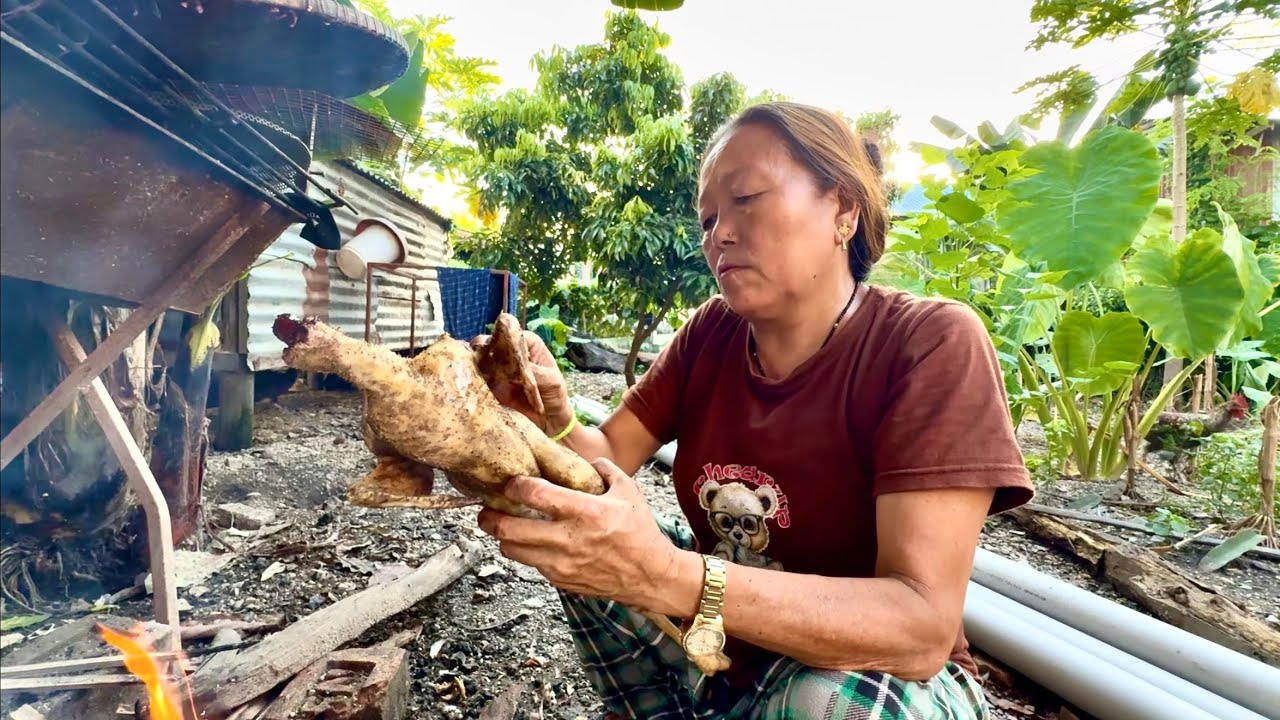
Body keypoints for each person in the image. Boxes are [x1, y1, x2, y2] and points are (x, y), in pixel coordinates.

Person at [473, 101, 1035, 719]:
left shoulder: (929, 342)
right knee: (567, 516)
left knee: (829, 705)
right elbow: (604, 463)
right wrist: (551, 413)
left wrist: (664, 574)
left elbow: (920, 628)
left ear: (843, 208)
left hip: (874, 675)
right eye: (708, 218)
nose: (720, 235)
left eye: (746, 200)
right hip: (726, 647)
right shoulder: (711, 332)